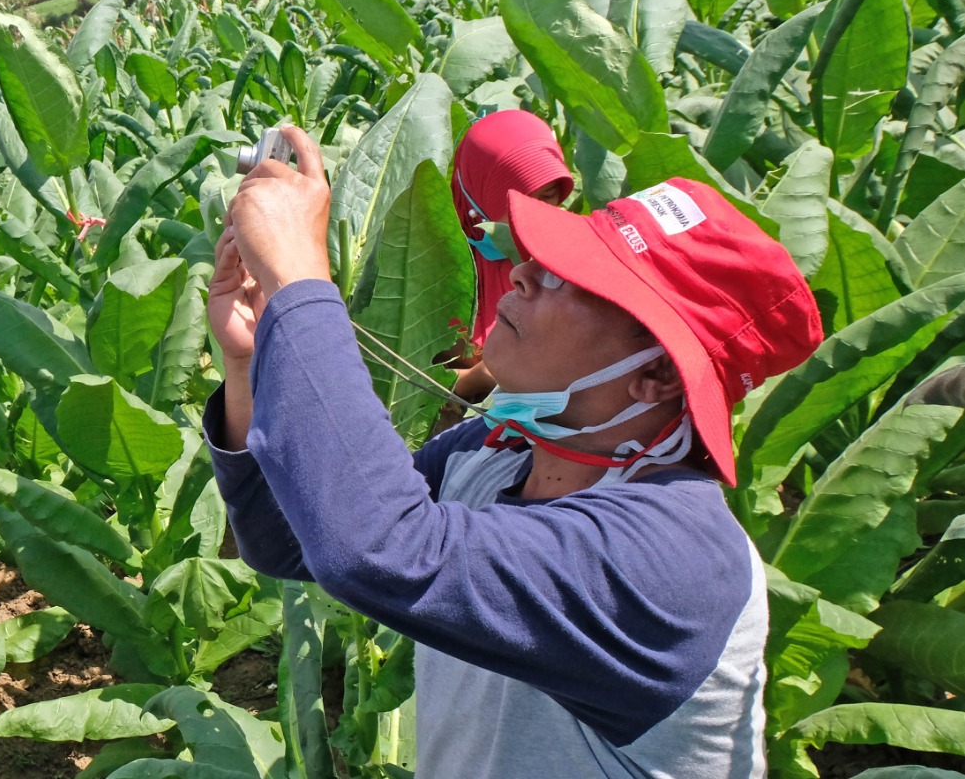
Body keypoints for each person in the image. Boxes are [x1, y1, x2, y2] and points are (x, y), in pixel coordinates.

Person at [207, 126, 821, 778]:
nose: (524, 272)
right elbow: (293, 543)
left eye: (572, 278)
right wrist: (250, 359)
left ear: (659, 375)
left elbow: (377, 550)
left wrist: (301, 285)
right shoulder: (496, 456)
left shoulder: (673, 556)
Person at [445, 110, 575, 412]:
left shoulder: (572, 257)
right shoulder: (427, 261)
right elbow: (395, 377)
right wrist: (473, 380)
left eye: (549, 196)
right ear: (477, 198)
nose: (538, 214)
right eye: (520, 201)